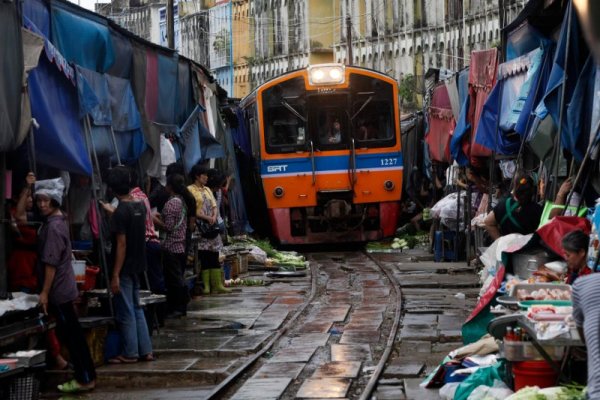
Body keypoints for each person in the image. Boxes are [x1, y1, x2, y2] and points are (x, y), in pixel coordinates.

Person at [35, 178, 96, 393]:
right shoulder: (59, 220)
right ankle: (86, 376)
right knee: (72, 334)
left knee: (72, 336)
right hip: (64, 289)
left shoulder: (53, 227)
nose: (42, 204)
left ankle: (85, 378)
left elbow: (50, 264)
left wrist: (44, 293)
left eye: (46, 200)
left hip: (58, 291)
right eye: (40, 200)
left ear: (55, 200)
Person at [106, 166, 154, 364]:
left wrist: (115, 273)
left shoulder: (120, 212)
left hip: (125, 266)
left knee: (126, 311)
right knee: (137, 308)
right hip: (138, 264)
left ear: (112, 188)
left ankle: (130, 352)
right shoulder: (139, 206)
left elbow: (121, 244)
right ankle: (146, 350)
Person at [187, 165, 230, 295]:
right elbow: (192, 209)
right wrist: (207, 217)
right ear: (197, 176)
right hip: (201, 227)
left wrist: (214, 216)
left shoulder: (207, 190)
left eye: (206, 175)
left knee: (214, 255)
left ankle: (217, 285)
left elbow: (214, 205)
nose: (206, 177)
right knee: (205, 256)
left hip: (212, 226)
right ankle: (206, 286)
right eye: (203, 175)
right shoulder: (190, 190)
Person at [152, 174, 190, 317]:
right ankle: (180, 306)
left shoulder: (172, 203)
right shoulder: (180, 201)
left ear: (169, 187)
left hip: (172, 246)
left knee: (174, 279)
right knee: (178, 277)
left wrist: (153, 220)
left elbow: (168, 227)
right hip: (180, 245)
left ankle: (178, 308)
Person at [483, 175, 543, 240]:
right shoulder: (537, 210)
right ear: (532, 191)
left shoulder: (503, 204)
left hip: (507, 248)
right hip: (528, 248)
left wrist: (500, 241)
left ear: (515, 190)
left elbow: (488, 222)